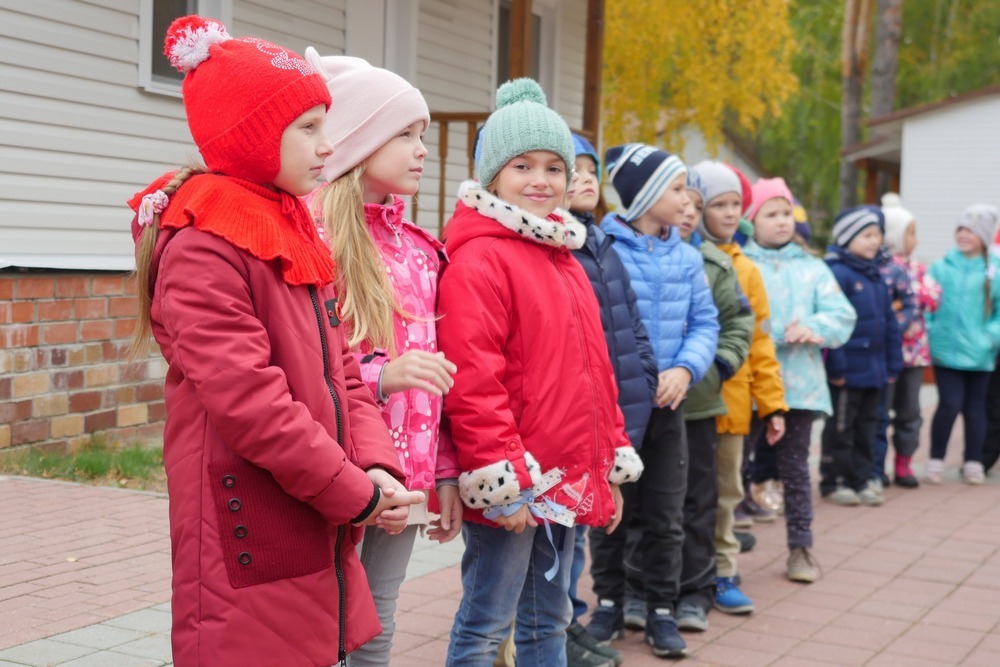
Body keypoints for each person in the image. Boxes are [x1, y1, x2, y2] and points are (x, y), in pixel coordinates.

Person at [127, 17, 423, 666]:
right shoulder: (206, 242)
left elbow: (343, 369)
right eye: (309, 127)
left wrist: (375, 465)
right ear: (255, 133)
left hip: (309, 504)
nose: (328, 142)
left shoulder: (288, 225)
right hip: (249, 521)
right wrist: (356, 492)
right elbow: (254, 406)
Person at [438, 79, 643, 667]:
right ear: (492, 175)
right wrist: (503, 480)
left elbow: (595, 373)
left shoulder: (563, 257)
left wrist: (607, 461)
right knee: (485, 623)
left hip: (566, 474)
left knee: (549, 619)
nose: (541, 180)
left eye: (555, 167)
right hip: (517, 476)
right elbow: (475, 380)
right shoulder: (480, 259)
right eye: (522, 165)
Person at [302, 51, 463, 666]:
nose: (422, 149)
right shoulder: (319, 238)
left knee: (380, 614)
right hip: (341, 468)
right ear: (359, 140)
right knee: (325, 611)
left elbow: (438, 381)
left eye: (423, 134)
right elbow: (314, 359)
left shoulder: (422, 250)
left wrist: (444, 472)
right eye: (405, 134)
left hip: (409, 473)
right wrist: (382, 376)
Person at [589, 143, 719, 659]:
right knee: (612, 510)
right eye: (675, 187)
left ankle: (662, 610)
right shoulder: (603, 249)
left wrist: (686, 367)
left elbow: (705, 322)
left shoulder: (688, 257)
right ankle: (609, 602)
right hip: (618, 408)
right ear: (643, 196)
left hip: (669, 408)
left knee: (667, 511)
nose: (686, 198)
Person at [563, 134, 654, 667]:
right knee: (563, 536)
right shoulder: (559, 246)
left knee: (579, 533)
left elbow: (631, 326)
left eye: (587, 168)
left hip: (612, 410)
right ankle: (556, 625)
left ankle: (567, 620)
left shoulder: (602, 244)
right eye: (567, 168)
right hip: (577, 413)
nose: (581, 177)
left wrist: (645, 372)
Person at [744, 178, 857, 582]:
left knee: (795, 469)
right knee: (738, 468)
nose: (781, 222)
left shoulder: (814, 267)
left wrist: (813, 326)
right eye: (770, 214)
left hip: (801, 388)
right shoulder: (742, 263)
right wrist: (771, 333)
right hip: (751, 386)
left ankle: (801, 549)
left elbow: (841, 315)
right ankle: (725, 556)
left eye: (786, 213)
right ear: (751, 220)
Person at [687, 161, 787, 616]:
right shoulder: (682, 256)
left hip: (730, 404)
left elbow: (760, 340)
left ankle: (723, 571)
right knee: (682, 494)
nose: (730, 214)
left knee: (726, 493)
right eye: (718, 205)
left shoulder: (746, 269)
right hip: (683, 403)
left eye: (735, 205)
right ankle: (679, 574)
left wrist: (773, 403)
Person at [671, 171, 754, 630]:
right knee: (652, 503)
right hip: (649, 405)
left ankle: (700, 585)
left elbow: (742, 325)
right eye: (681, 198)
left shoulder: (716, 265)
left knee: (706, 498)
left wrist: (717, 366)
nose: (688, 209)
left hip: (704, 402)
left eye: (695, 203)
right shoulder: (626, 254)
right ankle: (643, 591)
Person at [821, 206, 902, 505]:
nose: (874, 241)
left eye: (877, 235)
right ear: (846, 238)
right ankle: (835, 480)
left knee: (869, 426)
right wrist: (836, 367)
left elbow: (890, 324)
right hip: (847, 371)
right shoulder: (837, 273)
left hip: (875, 370)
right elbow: (833, 325)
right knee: (841, 427)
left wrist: (894, 362)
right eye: (866, 235)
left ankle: (863, 478)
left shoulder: (877, 276)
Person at [925, 205, 1000, 484]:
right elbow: (927, 305)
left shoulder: (994, 270)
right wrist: (931, 332)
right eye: (961, 229)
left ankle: (973, 460)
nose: (964, 235)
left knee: (976, 408)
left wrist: (990, 338)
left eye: (971, 230)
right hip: (946, 352)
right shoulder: (941, 267)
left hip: (980, 354)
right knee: (949, 404)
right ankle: (935, 458)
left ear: (984, 235)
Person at [877, 193, 939, 488]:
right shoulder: (880, 268)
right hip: (885, 354)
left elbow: (933, 296)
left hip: (914, 355)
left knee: (910, 411)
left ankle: (904, 462)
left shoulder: (919, 268)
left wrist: (907, 299)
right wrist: (906, 300)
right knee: (879, 410)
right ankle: (877, 464)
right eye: (910, 233)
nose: (915, 239)